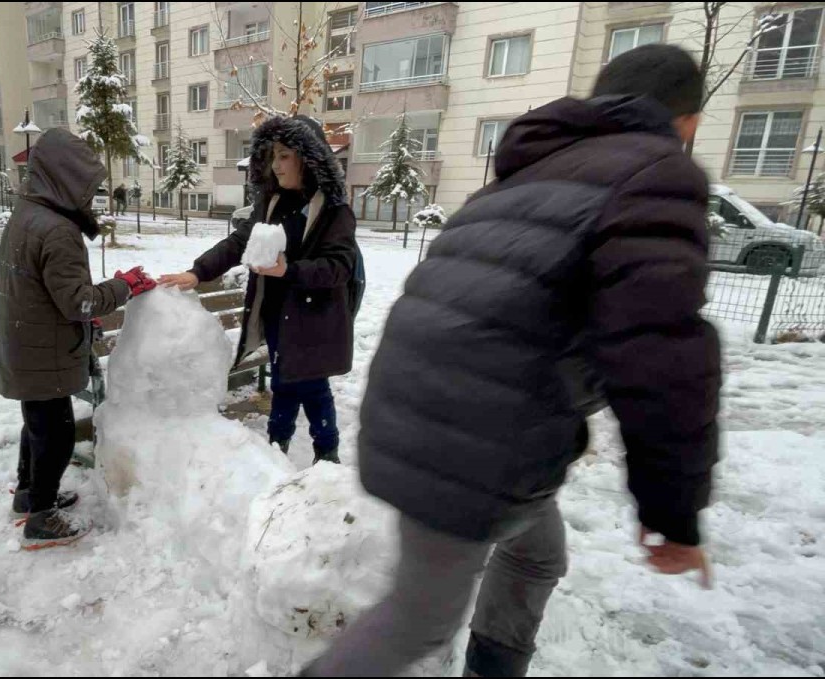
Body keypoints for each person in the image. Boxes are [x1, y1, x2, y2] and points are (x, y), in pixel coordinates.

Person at [306, 44, 720, 677]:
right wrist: (675, 510)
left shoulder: (528, 174)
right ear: (686, 120)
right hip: (474, 434)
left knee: (535, 556)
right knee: (420, 617)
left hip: (438, 409)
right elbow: (659, 352)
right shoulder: (655, 172)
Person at [159, 115, 359, 465]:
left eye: (284, 156)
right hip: (279, 316)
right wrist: (197, 272)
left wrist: (289, 270)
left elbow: (340, 268)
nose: (275, 165)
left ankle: (326, 452)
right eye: (271, 156)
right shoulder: (272, 203)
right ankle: (276, 448)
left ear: (307, 158)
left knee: (312, 387)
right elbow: (239, 242)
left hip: (314, 320)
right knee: (284, 380)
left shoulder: (333, 210)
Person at [0, 129, 156, 548]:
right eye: (86, 188)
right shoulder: (58, 231)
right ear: (65, 180)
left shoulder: (26, 214)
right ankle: (41, 518)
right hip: (43, 351)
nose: (91, 197)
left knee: (37, 425)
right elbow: (78, 302)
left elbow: (45, 292)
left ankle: (30, 494)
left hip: (25, 343)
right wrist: (124, 286)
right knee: (58, 434)